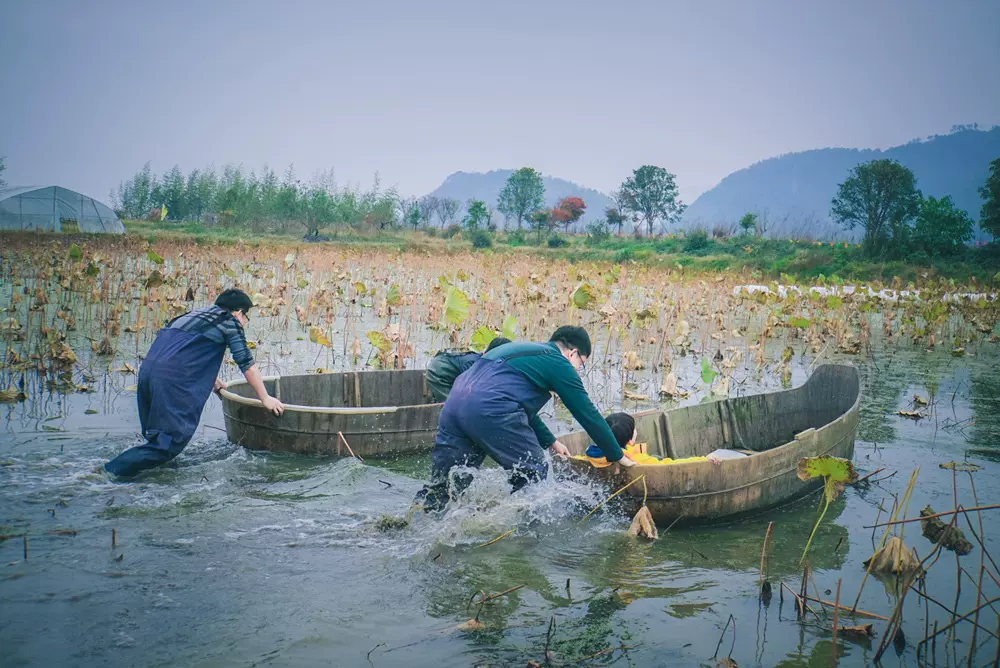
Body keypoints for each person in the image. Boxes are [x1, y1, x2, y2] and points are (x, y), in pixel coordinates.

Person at [416, 325, 638, 512]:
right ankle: (516, 532)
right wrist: (616, 454)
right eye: (582, 362)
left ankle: (415, 518)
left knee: (449, 483)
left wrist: (551, 441)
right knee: (533, 471)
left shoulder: (528, 352)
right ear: (573, 353)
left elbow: (517, 406)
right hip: (489, 409)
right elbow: (587, 414)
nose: (579, 369)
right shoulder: (559, 364)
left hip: (455, 404)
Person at [103, 289, 284, 478]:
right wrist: (265, 398)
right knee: (167, 445)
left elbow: (182, 350)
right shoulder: (229, 321)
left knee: (156, 437)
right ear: (238, 312)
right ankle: (106, 472)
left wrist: (214, 382)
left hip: (148, 372)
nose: (245, 321)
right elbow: (247, 365)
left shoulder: (191, 315)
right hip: (170, 381)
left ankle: (142, 472)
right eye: (246, 316)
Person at [425, 336, 512, 402]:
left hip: (444, 367)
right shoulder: (474, 363)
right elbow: (473, 388)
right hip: (438, 371)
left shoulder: (482, 361)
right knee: (452, 404)